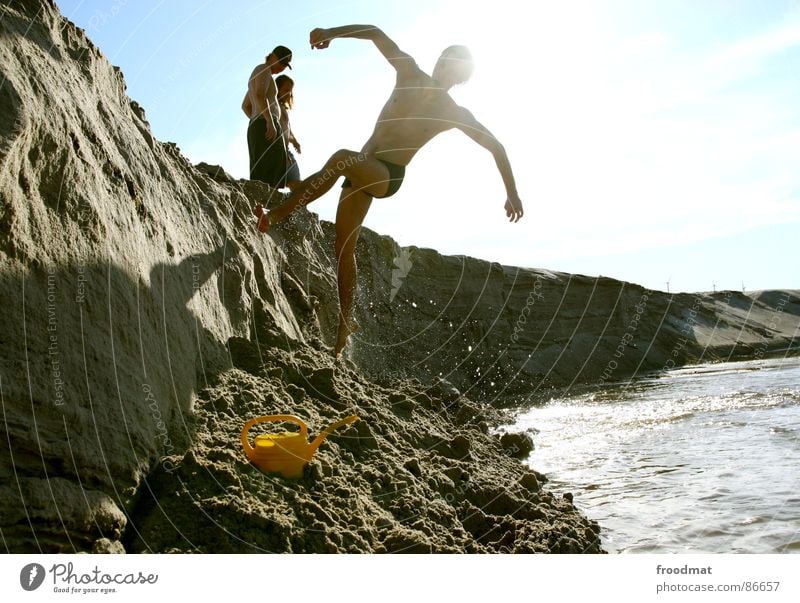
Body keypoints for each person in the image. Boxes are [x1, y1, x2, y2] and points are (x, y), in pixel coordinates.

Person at [255, 25, 524, 357]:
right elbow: (375, 32)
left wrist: (512, 193)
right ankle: (344, 327)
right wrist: (330, 32)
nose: (445, 63)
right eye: (445, 57)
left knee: (340, 158)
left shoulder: (453, 113)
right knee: (343, 248)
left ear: (461, 76)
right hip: (363, 169)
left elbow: (496, 146)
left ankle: (276, 214)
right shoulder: (408, 69)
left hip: (387, 175)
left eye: (455, 64)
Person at [242, 45, 293, 188]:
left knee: (268, 167)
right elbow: (259, 95)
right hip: (265, 122)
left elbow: (245, 105)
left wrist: (256, 119)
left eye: (285, 65)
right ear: (273, 57)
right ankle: (265, 204)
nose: (282, 68)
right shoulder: (263, 69)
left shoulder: (262, 72)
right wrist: (268, 121)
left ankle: (264, 204)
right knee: (268, 170)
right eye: (281, 63)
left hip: (260, 122)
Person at [276, 74, 303, 192]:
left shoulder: (282, 107)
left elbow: (287, 129)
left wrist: (295, 141)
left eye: (290, 91)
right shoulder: (274, 106)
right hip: (279, 149)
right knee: (295, 182)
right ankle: (297, 207)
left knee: (296, 182)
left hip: (285, 149)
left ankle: (298, 207)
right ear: (277, 88)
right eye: (286, 90)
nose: (289, 94)